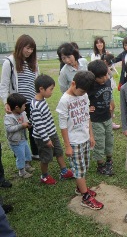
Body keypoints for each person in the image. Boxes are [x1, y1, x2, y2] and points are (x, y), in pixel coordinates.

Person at [56, 71, 103, 210]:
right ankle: (86, 197)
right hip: (74, 142)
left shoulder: (84, 95)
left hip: (85, 138)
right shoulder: (65, 100)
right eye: (81, 91)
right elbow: (63, 126)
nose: (83, 94)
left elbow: (87, 115)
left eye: (85, 92)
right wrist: (67, 146)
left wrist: (91, 135)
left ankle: (80, 188)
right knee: (79, 170)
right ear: (73, 84)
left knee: (84, 166)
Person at [0, 34, 40, 160]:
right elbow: (4, 84)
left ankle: (35, 152)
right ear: (20, 46)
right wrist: (6, 102)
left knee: (33, 127)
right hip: (17, 104)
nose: (29, 51)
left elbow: (36, 81)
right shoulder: (9, 62)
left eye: (32, 49)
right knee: (18, 130)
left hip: (31, 102)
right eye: (27, 48)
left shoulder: (33, 62)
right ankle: (20, 155)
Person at [30, 74, 73, 185]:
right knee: (46, 157)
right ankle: (44, 176)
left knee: (59, 152)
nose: (52, 92)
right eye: (51, 89)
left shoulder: (42, 100)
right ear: (41, 89)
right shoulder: (35, 106)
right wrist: (46, 139)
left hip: (52, 133)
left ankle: (64, 171)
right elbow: (39, 126)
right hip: (43, 138)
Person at [87, 60, 115, 176]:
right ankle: (100, 165)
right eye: (101, 77)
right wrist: (86, 108)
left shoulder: (107, 81)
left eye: (105, 75)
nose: (104, 78)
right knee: (99, 142)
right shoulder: (89, 86)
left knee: (109, 139)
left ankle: (109, 160)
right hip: (96, 120)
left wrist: (112, 103)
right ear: (93, 77)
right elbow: (82, 99)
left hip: (107, 117)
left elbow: (110, 93)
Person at [4, 93, 34, 178]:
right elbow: (9, 129)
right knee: (20, 156)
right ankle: (22, 172)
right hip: (15, 141)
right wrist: (22, 126)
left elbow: (26, 121)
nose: (25, 107)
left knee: (27, 153)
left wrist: (28, 124)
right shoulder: (9, 117)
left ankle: (27, 166)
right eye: (24, 105)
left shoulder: (23, 113)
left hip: (23, 139)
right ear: (17, 107)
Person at [101, 53, 121, 130]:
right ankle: (107, 124)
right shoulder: (100, 68)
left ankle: (110, 123)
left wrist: (110, 68)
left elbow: (115, 75)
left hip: (109, 89)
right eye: (109, 64)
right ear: (105, 61)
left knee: (112, 106)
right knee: (108, 107)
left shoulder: (109, 67)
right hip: (103, 90)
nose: (111, 65)